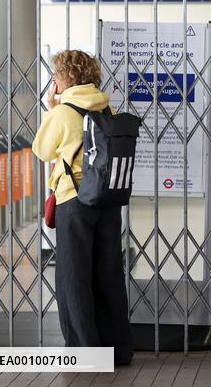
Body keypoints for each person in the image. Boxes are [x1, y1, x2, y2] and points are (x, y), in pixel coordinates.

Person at [32, 50, 133, 365]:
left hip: (74, 201)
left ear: (63, 78)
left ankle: (85, 352)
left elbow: (42, 150)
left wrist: (52, 109)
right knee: (107, 274)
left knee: (73, 278)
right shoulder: (105, 106)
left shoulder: (63, 112)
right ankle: (117, 349)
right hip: (107, 200)